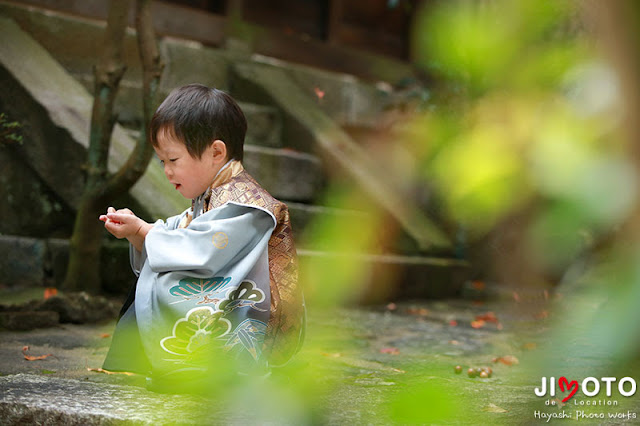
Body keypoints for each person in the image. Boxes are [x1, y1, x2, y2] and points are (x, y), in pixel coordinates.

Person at [99, 84, 305, 388]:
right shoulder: (213, 195)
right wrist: (137, 229)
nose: (167, 171)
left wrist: (145, 232)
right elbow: (178, 231)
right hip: (233, 294)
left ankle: (200, 369)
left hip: (255, 312)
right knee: (158, 274)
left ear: (216, 152)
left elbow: (202, 250)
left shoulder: (245, 203)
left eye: (173, 160)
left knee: (164, 280)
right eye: (162, 162)